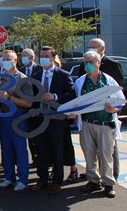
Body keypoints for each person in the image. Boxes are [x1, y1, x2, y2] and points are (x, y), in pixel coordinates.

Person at [73, 50, 124, 198]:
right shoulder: (80, 82)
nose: (88, 65)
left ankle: (108, 184)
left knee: (106, 155)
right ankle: (93, 181)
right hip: (87, 124)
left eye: (91, 62)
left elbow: (120, 101)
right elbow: (76, 102)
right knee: (89, 155)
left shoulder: (108, 81)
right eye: (86, 62)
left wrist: (113, 109)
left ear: (99, 63)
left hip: (105, 124)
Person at [29, 46, 75, 195]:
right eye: (41, 55)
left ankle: (57, 181)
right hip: (40, 120)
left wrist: (55, 96)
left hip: (56, 120)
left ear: (53, 57)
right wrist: (34, 110)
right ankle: (42, 179)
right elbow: (33, 98)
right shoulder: (36, 75)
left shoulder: (63, 74)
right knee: (41, 151)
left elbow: (71, 94)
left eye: (46, 56)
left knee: (57, 150)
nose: (43, 58)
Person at [0, 50, 33, 192]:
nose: (4, 61)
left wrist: (10, 98)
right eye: (3, 58)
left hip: (18, 118)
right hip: (3, 118)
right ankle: (8, 177)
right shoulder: (0, 78)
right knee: (5, 149)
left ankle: (23, 179)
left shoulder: (22, 79)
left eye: (8, 59)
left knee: (20, 149)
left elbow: (29, 103)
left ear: (15, 61)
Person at [18, 48, 42, 168]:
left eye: (25, 56)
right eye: (21, 56)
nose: (22, 58)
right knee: (28, 137)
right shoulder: (20, 71)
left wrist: (36, 107)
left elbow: (41, 91)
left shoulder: (40, 69)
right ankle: (34, 160)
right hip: (23, 108)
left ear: (32, 57)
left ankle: (42, 161)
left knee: (38, 137)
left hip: (37, 109)